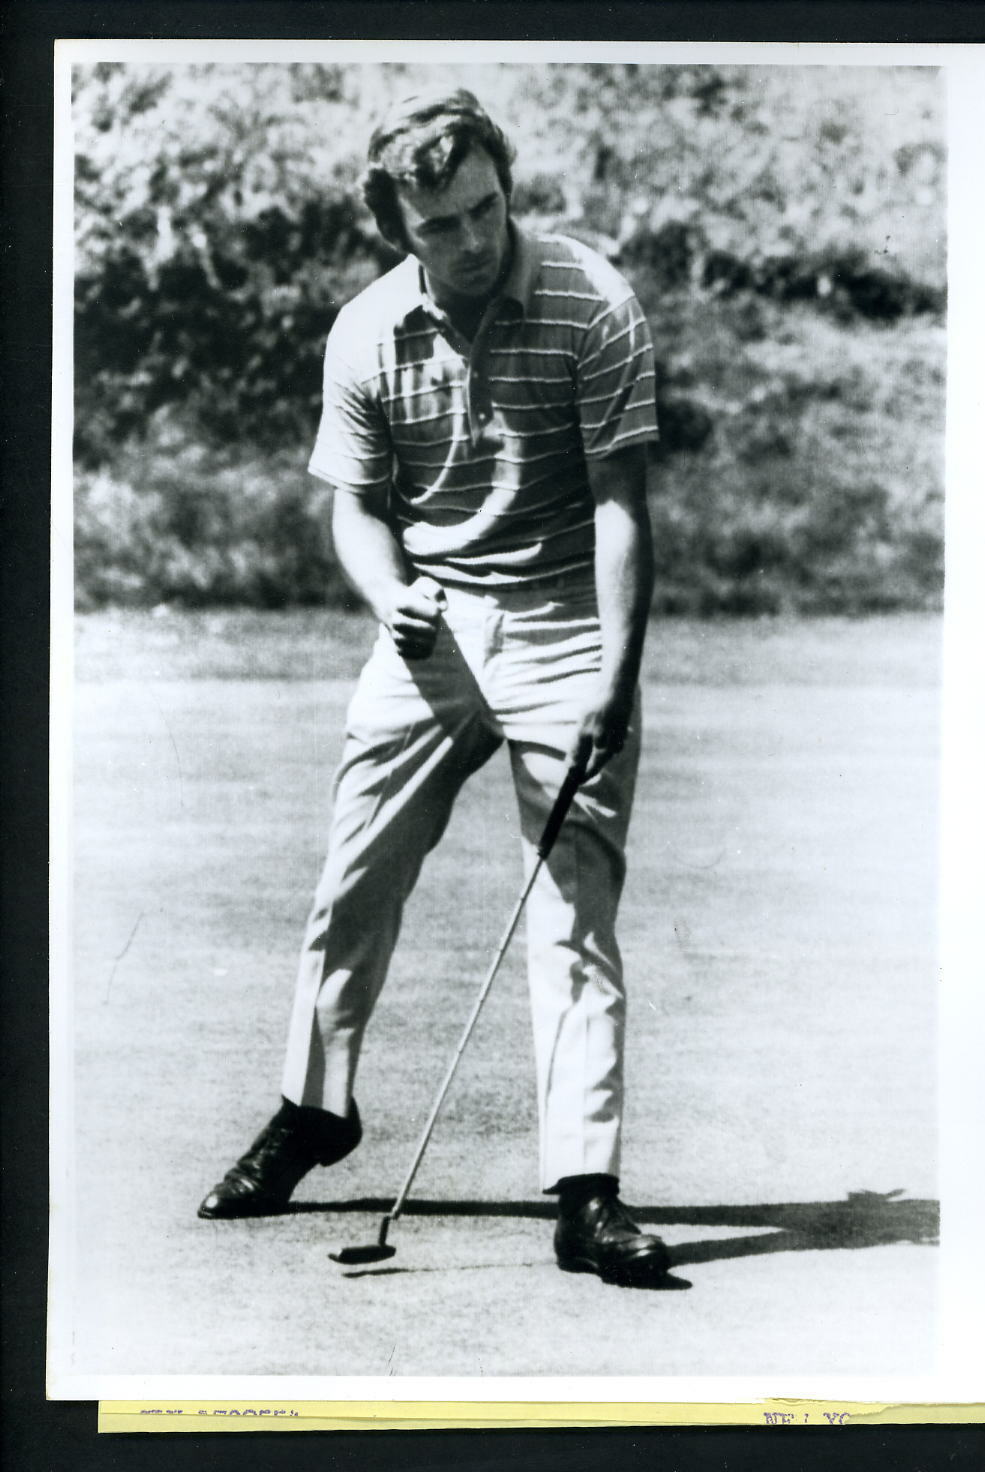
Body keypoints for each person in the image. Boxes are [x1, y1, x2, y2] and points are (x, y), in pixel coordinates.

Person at [198, 88, 670, 1284]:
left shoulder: (591, 300)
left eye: (484, 210)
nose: (469, 243)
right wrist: (386, 590)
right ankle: (314, 1107)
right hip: (434, 620)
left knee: (573, 909)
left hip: (567, 614)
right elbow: (356, 509)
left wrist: (616, 679)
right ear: (394, 224)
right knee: (352, 877)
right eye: (439, 226)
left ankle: (587, 1191)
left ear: (505, 188)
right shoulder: (363, 331)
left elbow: (622, 504)